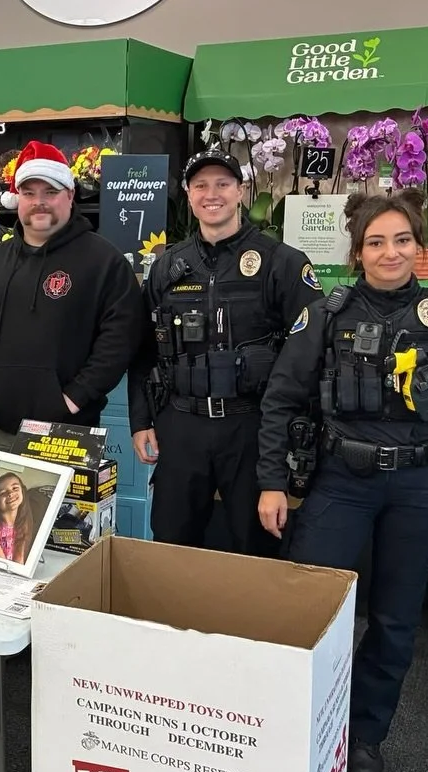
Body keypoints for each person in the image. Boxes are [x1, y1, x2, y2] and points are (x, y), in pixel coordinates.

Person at [256, 189, 428, 772]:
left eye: (402, 240)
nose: (391, 252)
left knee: (394, 621)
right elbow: (281, 399)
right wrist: (272, 483)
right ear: (357, 252)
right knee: (310, 608)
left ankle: (363, 736)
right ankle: (299, 725)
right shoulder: (326, 316)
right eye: (376, 242)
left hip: (422, 484)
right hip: (342, 480)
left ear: (419, 247)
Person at [129, 148, 324, 555]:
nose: (211, 194)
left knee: (257, 547)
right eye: (200, 185)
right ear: (188, 195)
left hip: (252, 427)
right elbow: (143, 348)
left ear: (241, 191)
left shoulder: (282, 263)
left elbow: (310, 354)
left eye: (222, 183)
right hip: (182, 423)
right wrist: (140, 420)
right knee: (171, 544)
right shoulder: (167, 266)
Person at [0, 140, 145, 470]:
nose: (39, 202)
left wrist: (73, 398)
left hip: (70, 433)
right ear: (18, 199)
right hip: (0, 431)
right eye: (29, 193)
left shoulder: (104, 262)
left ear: (70, 195)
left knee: (68, 509)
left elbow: (121, 339)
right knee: (4, 507)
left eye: (50, 192)